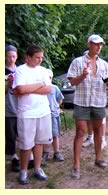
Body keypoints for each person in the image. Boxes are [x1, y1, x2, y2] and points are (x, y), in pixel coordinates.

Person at [67, 34, 108, 179]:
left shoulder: (104, 65)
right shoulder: (78, 62)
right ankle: (76, 166)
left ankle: (98, 159)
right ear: (89, 44)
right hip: (82, 102)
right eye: (96, 44)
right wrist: (83, 76)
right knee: (80, 132)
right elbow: (72, 83)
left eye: (101, 44)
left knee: (98, 131)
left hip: (98, 102)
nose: (99, 47)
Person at [12, 45, 52, 185]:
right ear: (28, 57)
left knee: (40, 142)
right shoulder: (20, 71)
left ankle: (37, 168)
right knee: (26, 144)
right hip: (27, 113)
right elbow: (20, 89)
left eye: (42, 57)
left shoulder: (42, 70)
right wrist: (39, 84)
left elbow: (48, 89)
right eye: (37, 57)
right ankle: (23, 172)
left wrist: (30, 88)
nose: (40, 60)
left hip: (43, 111)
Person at [42, 69, 65, 162]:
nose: (48, 79)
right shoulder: (41, 88)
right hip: (43, 115)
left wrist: (57, 107)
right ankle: (45, 152)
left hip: (54, 115)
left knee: (55, 134)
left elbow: (60, 98)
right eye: (46, 77)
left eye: (50, 77)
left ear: (51, 78)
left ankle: (57, 152)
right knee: (44, 136)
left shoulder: (55, 88)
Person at [5, 45, 20, 172]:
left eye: (13, 56)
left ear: (17, 57)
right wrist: (9, 83)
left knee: (22, 134)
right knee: (10, 135)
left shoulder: (20, 71)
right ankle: (13, 158)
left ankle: (28, 157)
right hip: (8, 108)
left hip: (21, 108)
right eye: (9, 56)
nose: (11, 59)